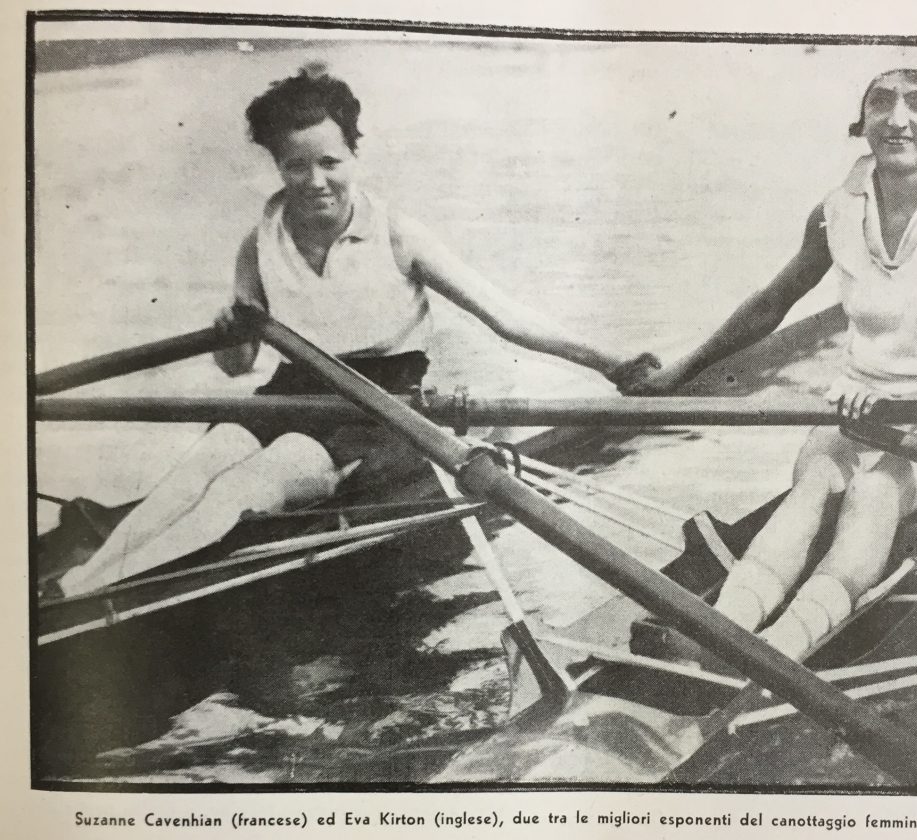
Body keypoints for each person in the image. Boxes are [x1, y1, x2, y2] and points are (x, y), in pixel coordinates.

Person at [58, 65, 657, 597]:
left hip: (380, 406)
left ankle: (107, 593)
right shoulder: (258, 244)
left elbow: (505, 317)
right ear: (277, 165)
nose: (315, 181)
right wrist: (231, 332)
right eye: (297, 165)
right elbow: (240, 368)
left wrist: (612, 363)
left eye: (330, 162)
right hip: (292, 390)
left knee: (241, 484)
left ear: (354, 156)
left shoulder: (398, 234)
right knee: (194, 468)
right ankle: (80, 584)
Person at [632, 68, 917, 659]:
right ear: (862, 123)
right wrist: (679, 373)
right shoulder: (835, 209)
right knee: (815, 480)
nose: (898, 119)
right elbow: (772, 303)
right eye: (881, 105)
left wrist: (912, 408)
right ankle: (723, 633)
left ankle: (783, 651)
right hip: (861, 407)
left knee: (876, 489)